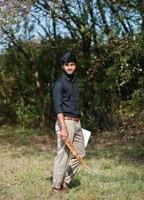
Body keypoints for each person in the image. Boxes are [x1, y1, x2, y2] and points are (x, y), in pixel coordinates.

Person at [51, 52, 86, 192]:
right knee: (63, 154)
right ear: (62, 66)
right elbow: (58, 107)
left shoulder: (75, 81)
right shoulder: (58, 84)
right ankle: (55, 187)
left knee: (80, 154)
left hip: (77, 122)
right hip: (65, 122)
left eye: (72, 64)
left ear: (75, 66)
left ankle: (65, 181)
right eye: (67, 65)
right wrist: (63, 128)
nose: (70, 67)